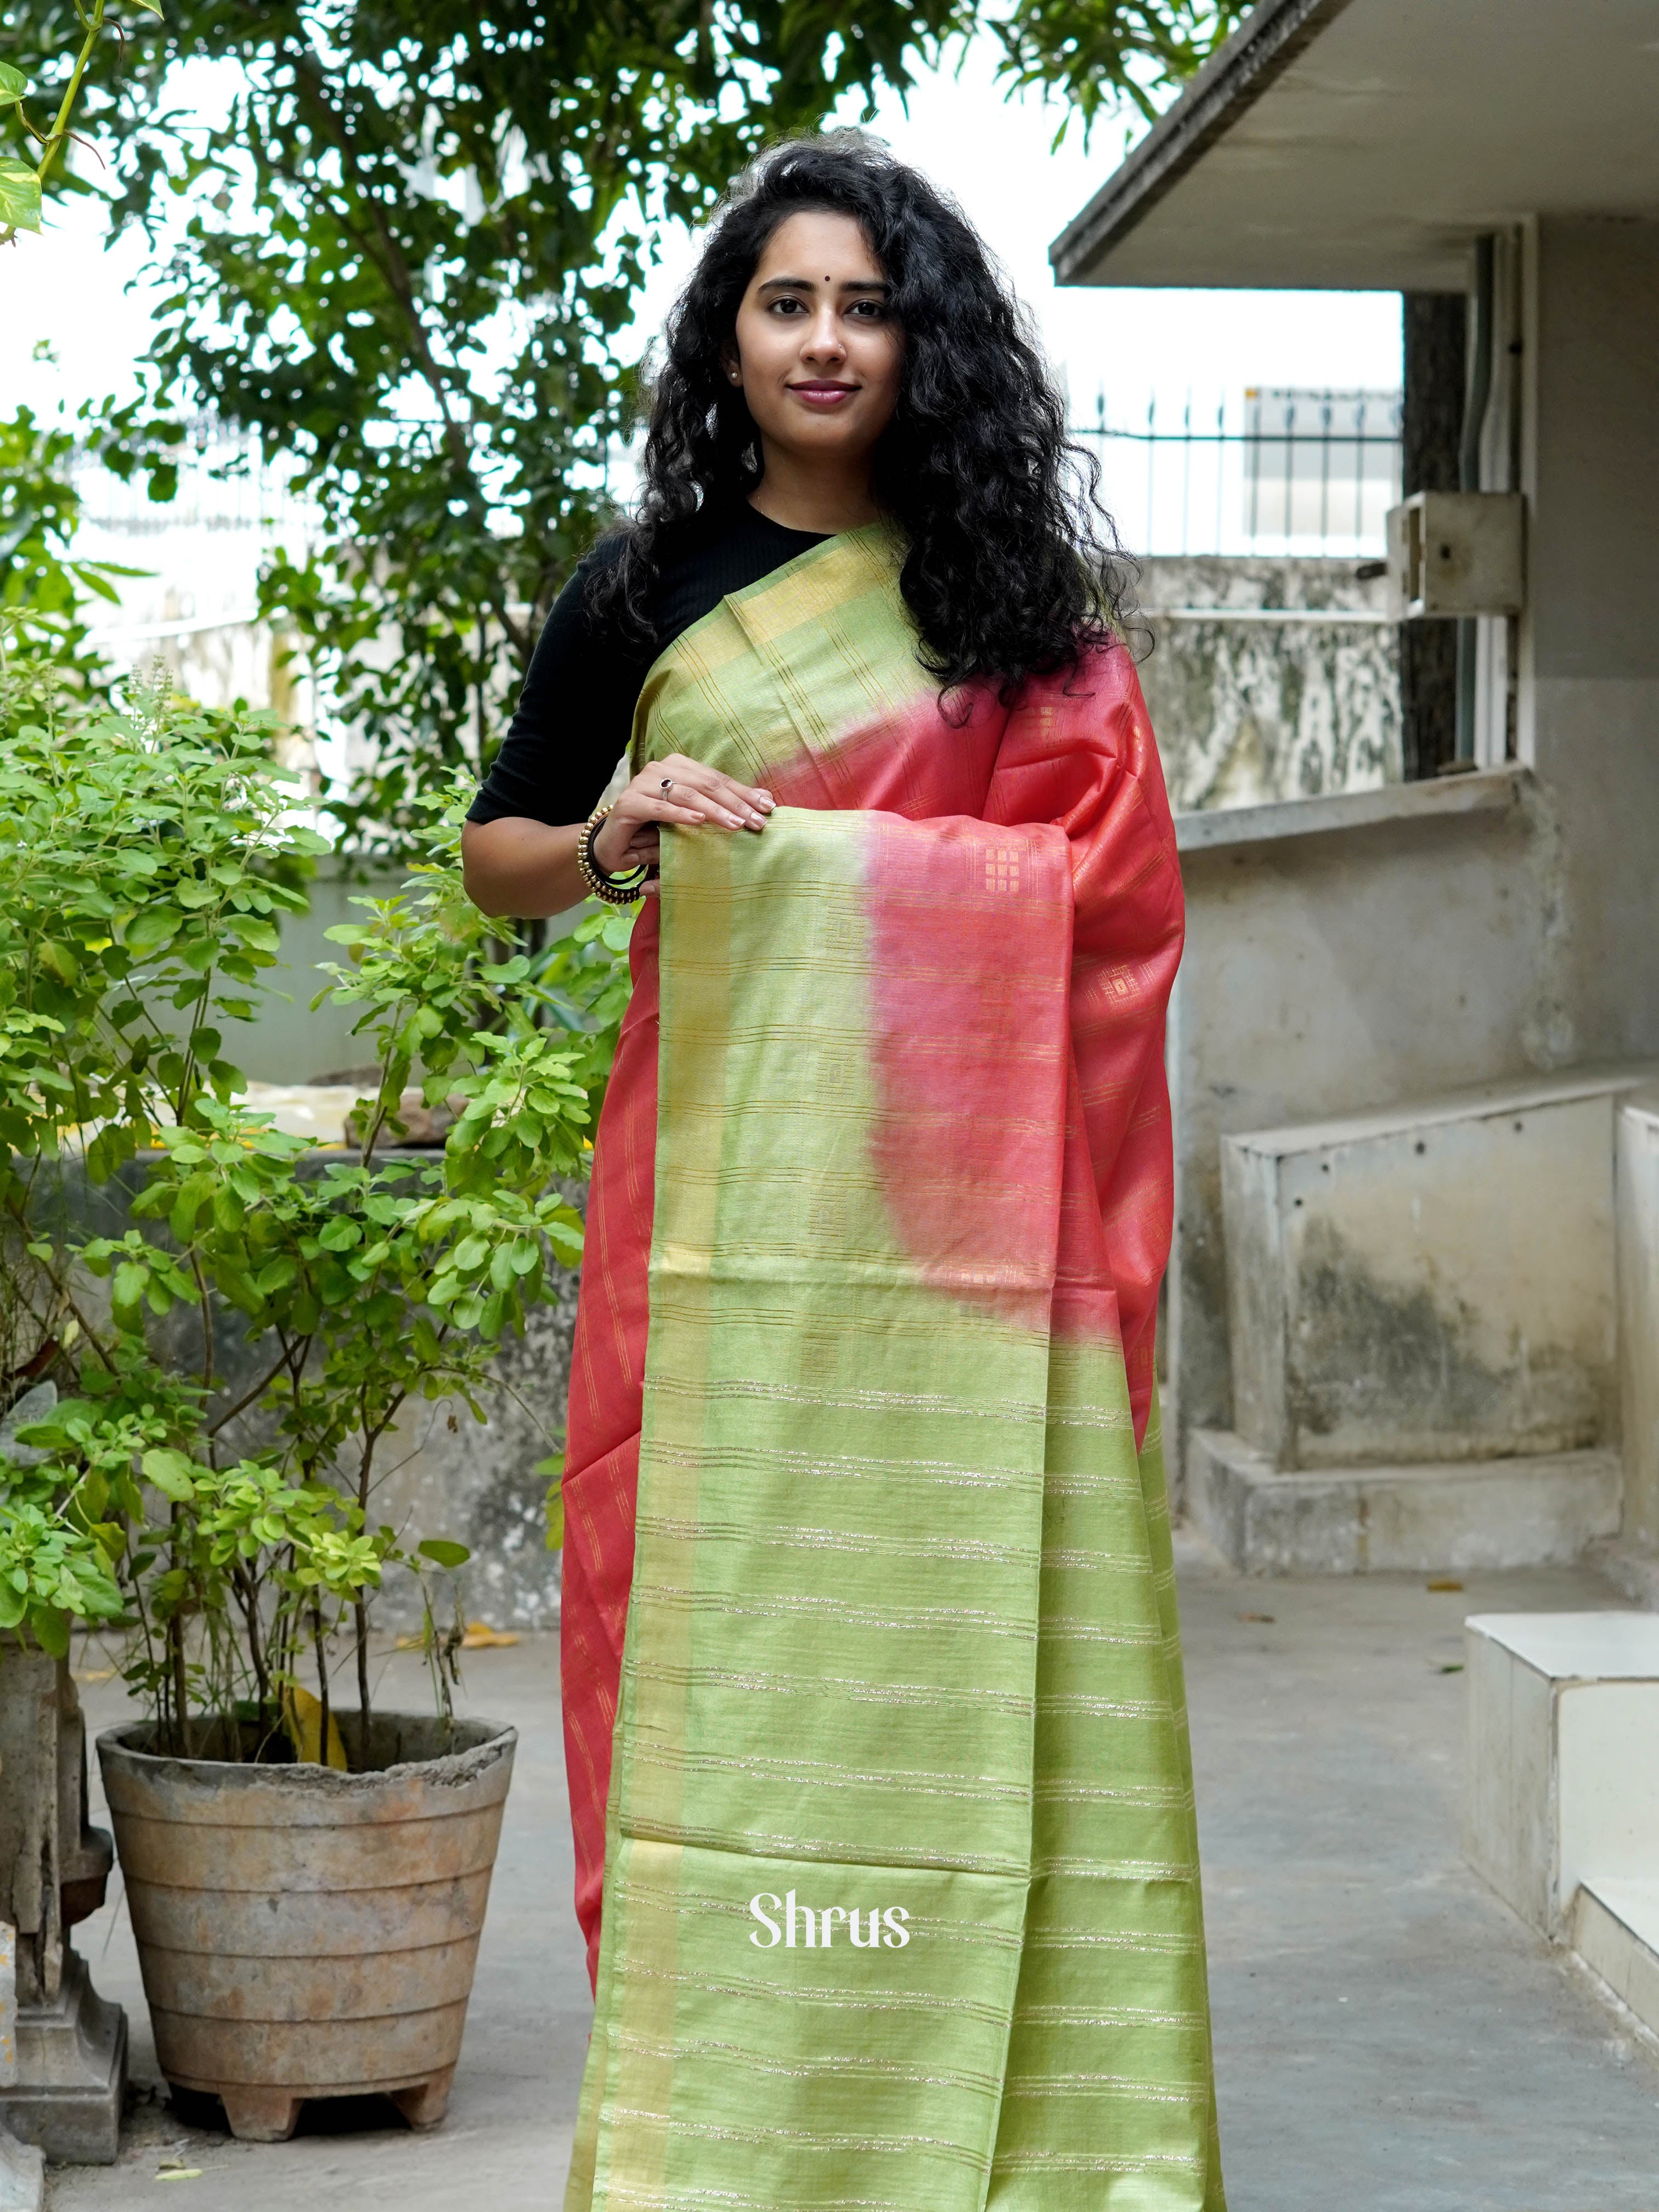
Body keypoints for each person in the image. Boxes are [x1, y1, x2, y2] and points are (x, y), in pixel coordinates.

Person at [462, 132, 1226, 2212]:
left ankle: (1023, 2132)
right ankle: (742, 2122)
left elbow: (1109, 899)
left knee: (955, 1638)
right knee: (700, 1630)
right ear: (731, 332)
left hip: (968, 1238)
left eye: (867, 303)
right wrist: (621, 825)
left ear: (925, 342)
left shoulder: (1009, 607)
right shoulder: (644, 592)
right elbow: (499, 860)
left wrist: (836, 866)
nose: (825, 339)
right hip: (711, 1226)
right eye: (787, 299)